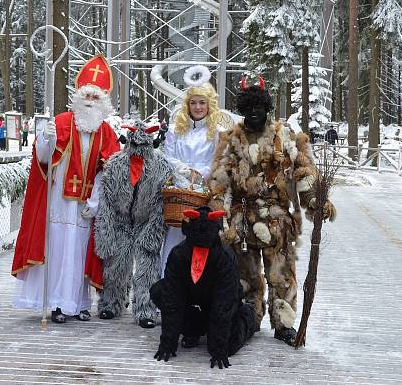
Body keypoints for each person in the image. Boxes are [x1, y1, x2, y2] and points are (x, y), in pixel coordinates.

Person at [209, 78, 336, 346]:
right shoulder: (231, 141)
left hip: (277, 220)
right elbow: (219, 180)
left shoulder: (286, 137)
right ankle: (249, 317)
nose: (254, 112)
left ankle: (283, 323)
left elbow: (304, 172)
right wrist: (218, 210)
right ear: (243, 110)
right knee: (246, 277)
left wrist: (315, 199)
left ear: (266, 108)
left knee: (282, 275)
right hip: (242, 221)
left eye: (259, 106)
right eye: (248, 107)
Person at [11, 55, 121, 324]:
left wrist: (96, 202)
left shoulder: (106, 132)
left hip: (86, 205)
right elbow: (44, 161)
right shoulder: (59, 123)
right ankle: (58, 303)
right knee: (60, 251)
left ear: (103, 102)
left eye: (96, 98)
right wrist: (45, 139)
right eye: (87, 96)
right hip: (59, 202)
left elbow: (110, 171)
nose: (90, 102)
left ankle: (80, 303)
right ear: (78, 97)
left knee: (82, 253)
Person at [151, 205, 258, 368]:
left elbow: (223, 305)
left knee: (229, 344)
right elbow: (172, 301)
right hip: (194, 299)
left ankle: (247, 317)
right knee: (160, 291)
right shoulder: (178, 255)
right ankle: (195, 328)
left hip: (221, 302)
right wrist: (168, 343)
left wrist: (218, 348)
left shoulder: (225, 259)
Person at [95, 121, 173, 328]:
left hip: (145, 223)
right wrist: (106, 232)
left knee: (148, 267)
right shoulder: (114, 165)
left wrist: (153, 232)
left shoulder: (162, 167)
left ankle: (146, 309)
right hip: (121, 222)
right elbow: (106, 202)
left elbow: (161, 205)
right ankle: (111, 302)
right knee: (115, 265)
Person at [159, 65, 233, 276]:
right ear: (187, 105)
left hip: (202, 195)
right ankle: (169, 287)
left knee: (198, 243)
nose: (198, 107)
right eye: (193, 103)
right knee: (173, 241)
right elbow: (167, 156)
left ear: (209, 105)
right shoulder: (175, 130)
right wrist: (180, 170)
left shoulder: (216, 133)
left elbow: (216, 162)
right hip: (177, 194)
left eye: (202, 102)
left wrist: (198, 174)